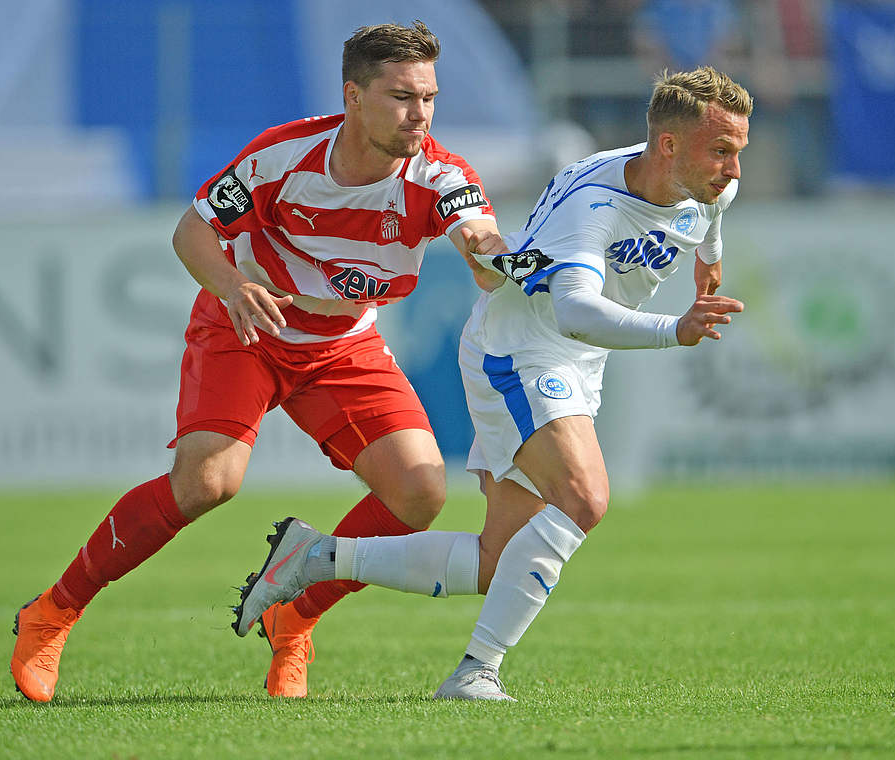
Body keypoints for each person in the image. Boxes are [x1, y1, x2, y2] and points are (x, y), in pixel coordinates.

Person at [10, 20, 509, 703]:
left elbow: (476, 231)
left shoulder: (440, 176)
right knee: (207, 482)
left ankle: (293, 614)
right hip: (247, 326)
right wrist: (232, 286)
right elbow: (192, 231)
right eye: (400, 96)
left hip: (341, 347)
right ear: (353, 96)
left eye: (428, 97)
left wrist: (495, 252)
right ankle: (52, 611)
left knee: (420, 491)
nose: (418, 113)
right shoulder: (282, 156)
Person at [233, 66, 751, 700]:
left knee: (494, 562)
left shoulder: (703, 185)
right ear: (668, 145)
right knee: (585, 498)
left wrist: (709, 265)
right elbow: (575, 311)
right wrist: (677, 327)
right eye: (720, 150)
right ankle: (475, 673)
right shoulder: (596, 209)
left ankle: (316, 558)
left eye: (737, 151)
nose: (732, 169)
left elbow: (712, 223)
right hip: (521, 351)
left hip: (572, 361)